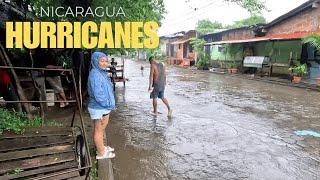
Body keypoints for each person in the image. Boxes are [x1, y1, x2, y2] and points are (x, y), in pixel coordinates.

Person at [88, 52, 116, 159]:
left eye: (105, 61)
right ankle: (101, 153)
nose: (104, 63)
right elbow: (98, 94)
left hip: (103, 107)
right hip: (99, 107)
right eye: (102, 61)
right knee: (99, 131)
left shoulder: (100, 72)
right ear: (96, 61)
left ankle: (102, 147)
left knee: (101, 129)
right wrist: (109, 104)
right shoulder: (95, 74)